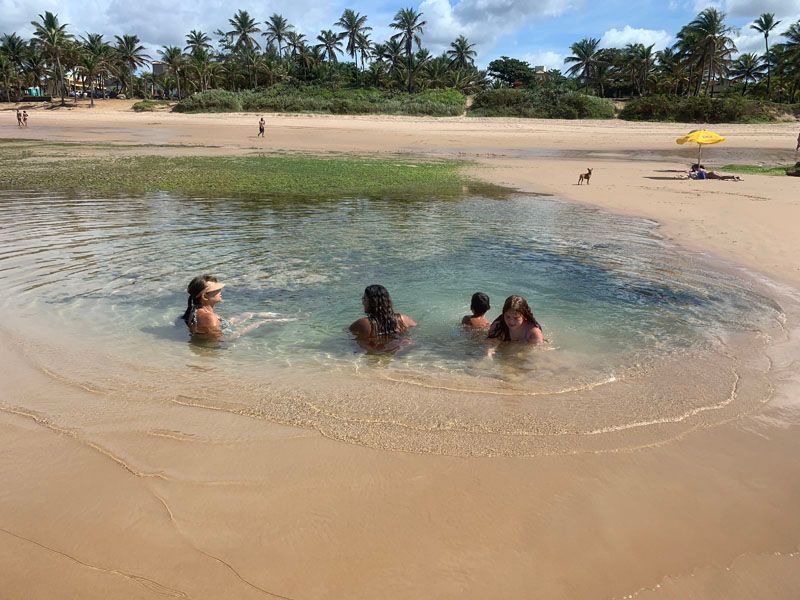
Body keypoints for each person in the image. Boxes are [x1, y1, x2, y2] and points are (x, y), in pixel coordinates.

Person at [350, 284, 416, 340]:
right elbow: (416, 329)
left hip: (375, 353)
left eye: (364, 299)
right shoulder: (403, 319)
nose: (362, 302)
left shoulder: (364, 323)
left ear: (372, 302)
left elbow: (347, 335)